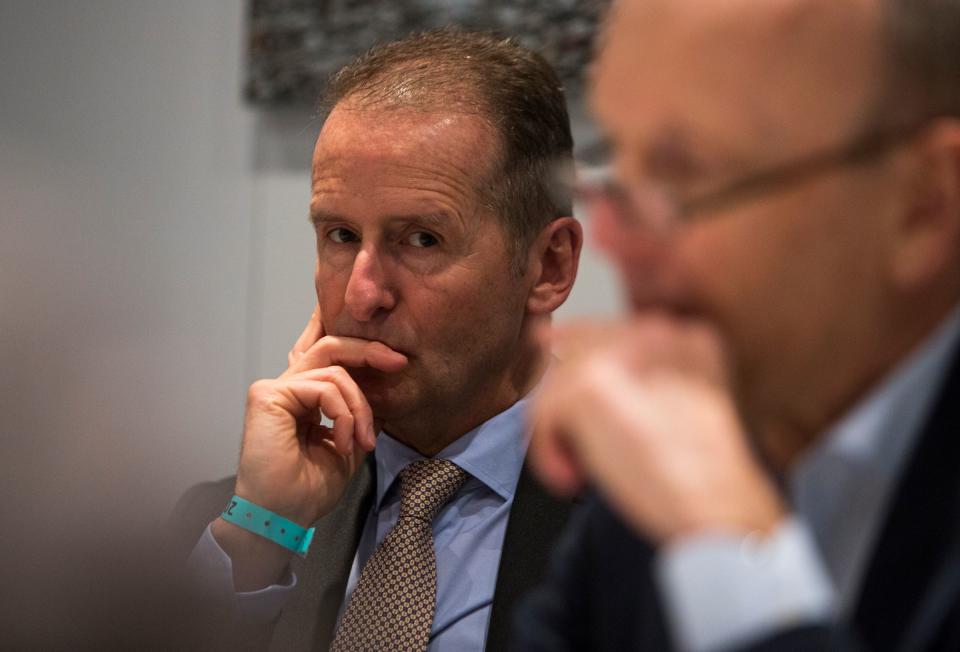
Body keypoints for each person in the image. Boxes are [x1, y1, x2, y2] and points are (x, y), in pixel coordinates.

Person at [517, 0, 960, 650]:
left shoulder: (686, 468)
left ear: (923, 204)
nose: (611, 237)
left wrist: (727, 547)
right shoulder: (676, 430)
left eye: (686, 176)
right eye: (618, 161)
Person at [173, 28, 582, 652]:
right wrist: (262, 536)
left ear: (549, 266)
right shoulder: (235, 521)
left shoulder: (656, 524)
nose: (362, 296)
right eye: (339, 235)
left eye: (421, 239)